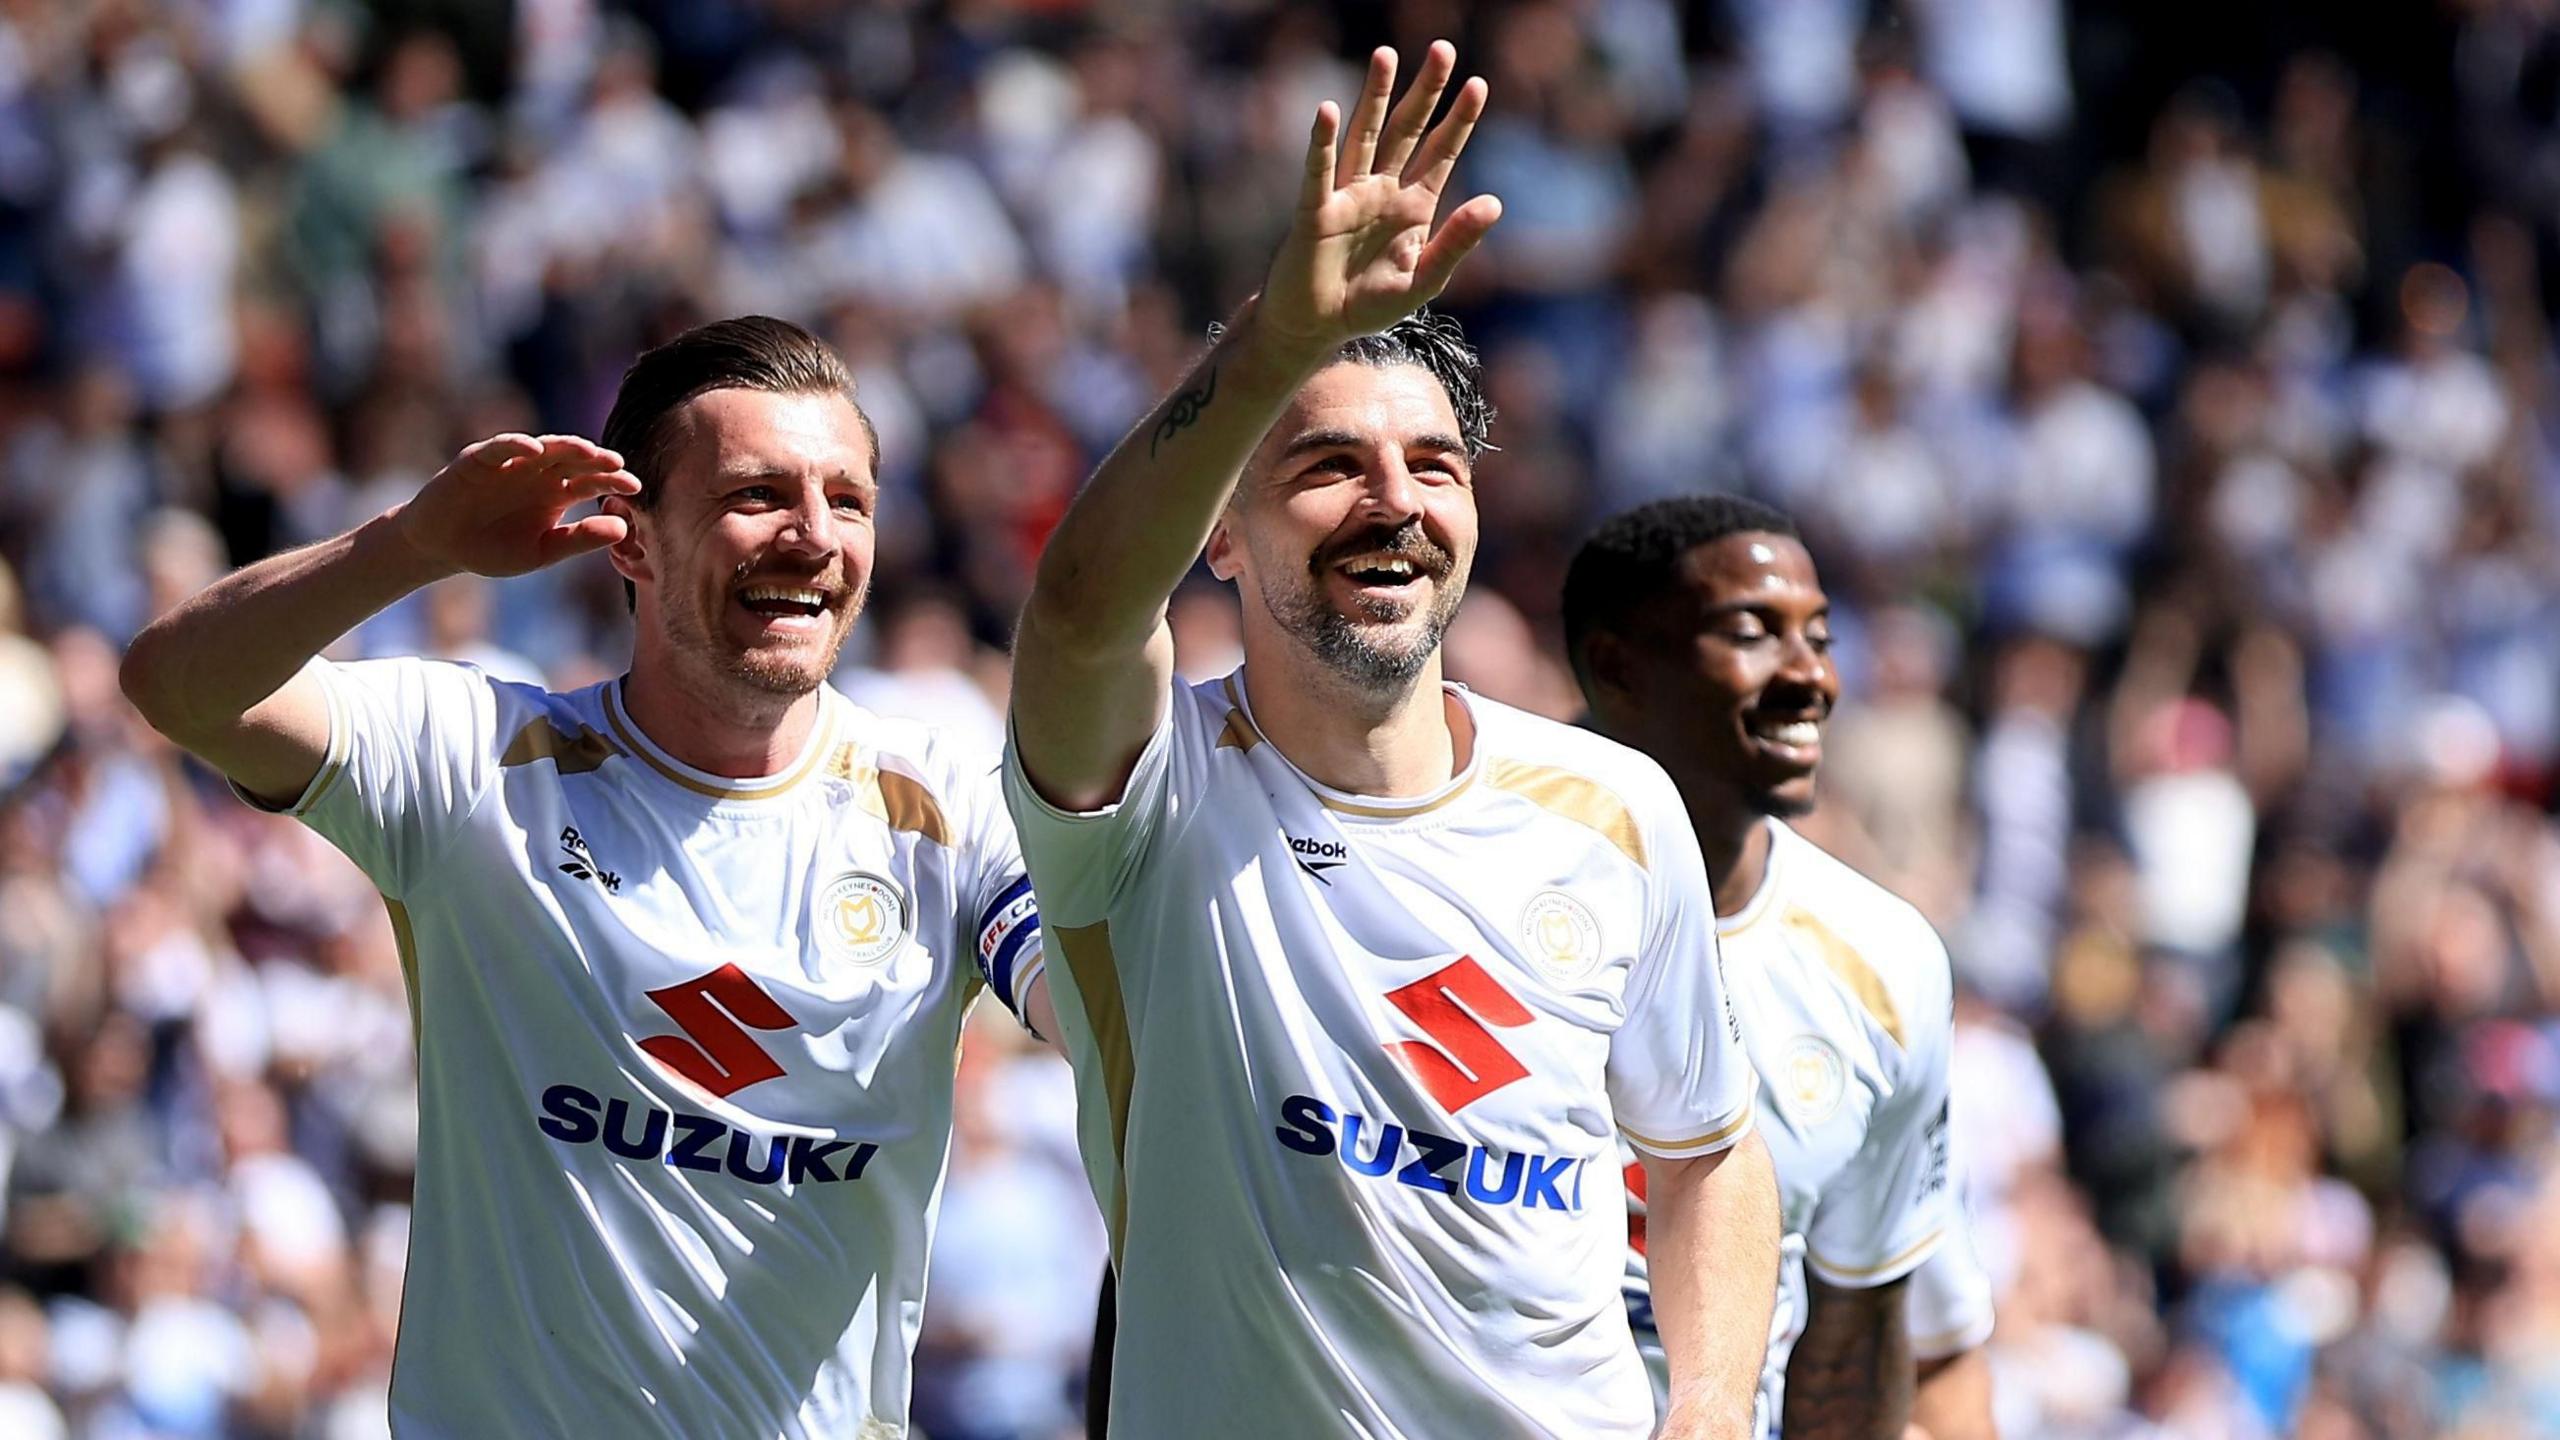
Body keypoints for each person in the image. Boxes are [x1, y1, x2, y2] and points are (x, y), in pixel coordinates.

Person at [1003, 42, 1779, 1440]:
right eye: (1325, 467)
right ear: (1220, 539)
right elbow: (1076, 613)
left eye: (1433, 464)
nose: (1392, 501)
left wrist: (1713, 1411)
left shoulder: (1615, 808)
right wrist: (1266, 353)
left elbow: (1711, 1153)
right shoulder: (1148, 801)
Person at [118, 316, 1056, 1437]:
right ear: (631, 540)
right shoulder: (473, 759)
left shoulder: (949, 801)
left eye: (845, 499)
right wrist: (413, 545)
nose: (812, 536)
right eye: (756, 494)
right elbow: (182, 687)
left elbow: (1098, 1009)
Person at [1562, 494, 1999, 1440]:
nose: (1812, 678)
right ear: (1615, 666)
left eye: (1821, 636)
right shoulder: (1469, 882)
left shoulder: (1883, 966)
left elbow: (1866, 1343)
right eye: (1754, 633)